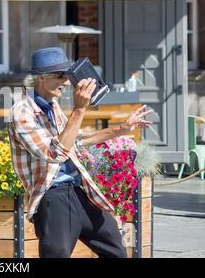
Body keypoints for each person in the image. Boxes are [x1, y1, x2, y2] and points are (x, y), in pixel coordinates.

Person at [8, 47, 153, 258]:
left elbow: (75, 141)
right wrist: (79, 109)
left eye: (67, 75)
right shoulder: (22, 113)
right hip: (52, 195)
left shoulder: (52, 105)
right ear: (40, 78)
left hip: (78, 190)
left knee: (116, 251)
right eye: (60, 76)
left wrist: (121, 128)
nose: (67, 82)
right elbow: (55, 153)